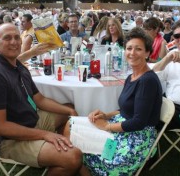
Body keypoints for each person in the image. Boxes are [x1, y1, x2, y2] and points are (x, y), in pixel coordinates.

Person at [0, 23, 82, 175]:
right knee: (73, 157)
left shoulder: (17, 66)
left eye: (17, 37)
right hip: (9, 140)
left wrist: (70, 110)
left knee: (68, 109)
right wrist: (46, 135)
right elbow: (0, 127)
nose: (14, 42)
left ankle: (59, 146)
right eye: (7, 38)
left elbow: (39, 100)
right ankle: (62, 152)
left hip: (31, 121)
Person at [66, 27, 163, 176]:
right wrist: (106, 115)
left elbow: (139, 121)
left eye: (138, 49)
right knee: (71, 125)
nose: (132, 53)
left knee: (77, 144)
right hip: (122, 126)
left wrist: (107, 126)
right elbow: (125, 109)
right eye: (129, 48)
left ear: (148, 53)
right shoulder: (132, 76)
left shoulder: (147, 81)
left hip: (134, 138)